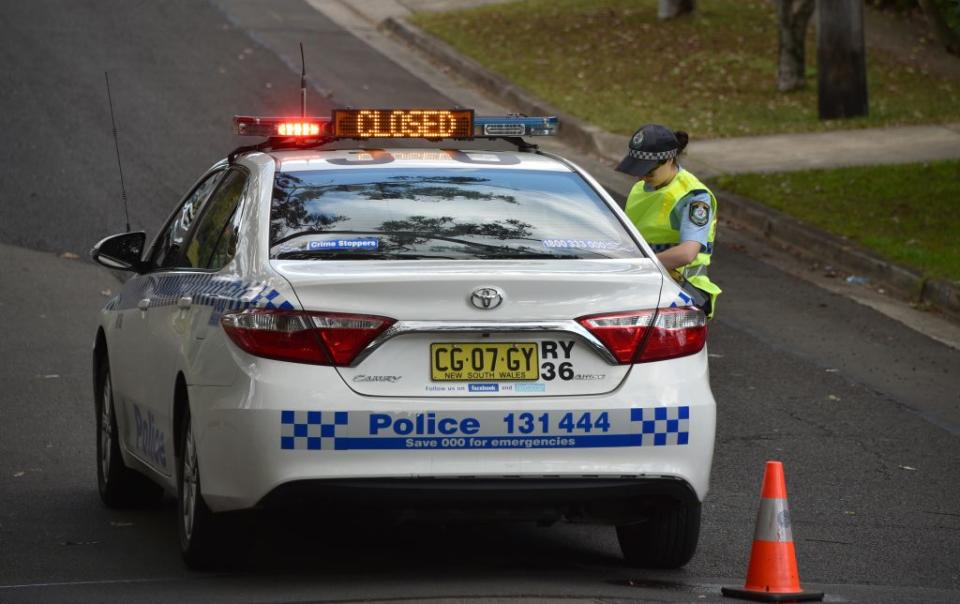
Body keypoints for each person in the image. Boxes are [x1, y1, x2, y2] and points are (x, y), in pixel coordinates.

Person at [615, 124, 721, 318]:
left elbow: (687, 253)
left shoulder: (694, 196)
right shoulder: (640, 188)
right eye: (638, 169)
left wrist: (640, 265)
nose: (642, 176)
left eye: (648, 170)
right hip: (645, 287)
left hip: (679, 294)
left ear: (669, 159)